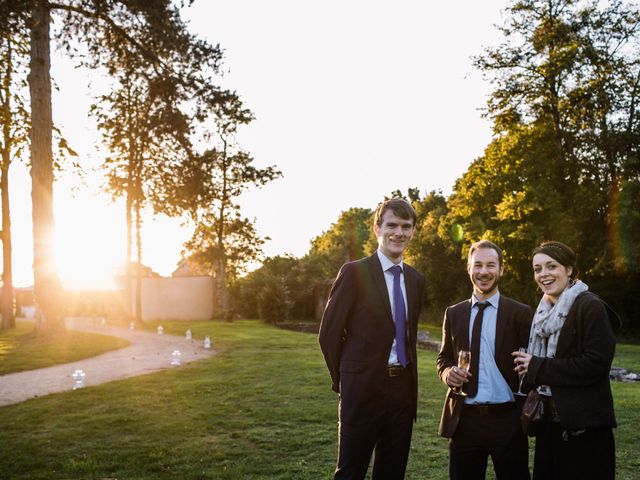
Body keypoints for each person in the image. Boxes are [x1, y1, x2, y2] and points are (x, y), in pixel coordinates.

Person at [318, 198, 425, 480]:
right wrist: (344, 378)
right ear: (377, 228)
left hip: (402, 390)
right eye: (391, 225)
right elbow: (329, 334)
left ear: (413, 231)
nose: (398, 233)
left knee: (392, 472)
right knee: (351, 472)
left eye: (406, 226)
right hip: (361, 390)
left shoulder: (416, 280)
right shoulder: (354, 272)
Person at [513, 241, 620, 480]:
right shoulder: (543, 312)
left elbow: (596, 363)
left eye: (551, 266)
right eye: (537, 269)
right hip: (548, 429)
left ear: (569, 269)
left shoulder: (589, 305)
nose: (543, 274)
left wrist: (537, 366)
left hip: (584, 431)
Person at [436, 240, 532, 480]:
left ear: (501, 269)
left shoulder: (520, 313)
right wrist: (448, 374)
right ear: (469, 269)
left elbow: (534, 362)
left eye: (491, 265)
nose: (483, 271)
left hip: (508, 420)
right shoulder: (454, 313)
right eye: (477, 265)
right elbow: (444, 358)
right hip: (464, 420)